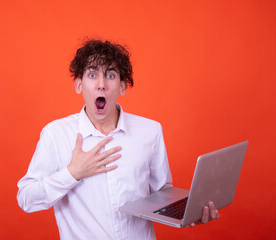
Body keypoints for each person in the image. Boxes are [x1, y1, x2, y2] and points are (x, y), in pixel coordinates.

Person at [17, 39, 219, 239]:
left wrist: (189, 212)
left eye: (111, 75)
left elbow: (161, 193)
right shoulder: (56, 134)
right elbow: (26, 199)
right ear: (79, 85)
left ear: (122, 87)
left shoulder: (150, 131)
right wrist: (73, 173)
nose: (101, 85)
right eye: (92, 74)